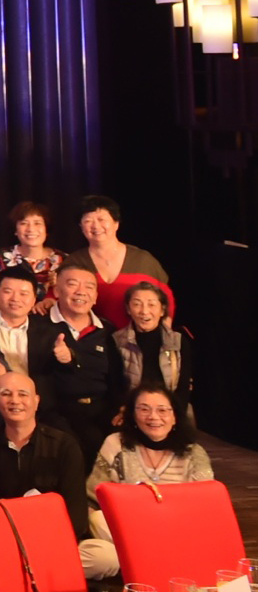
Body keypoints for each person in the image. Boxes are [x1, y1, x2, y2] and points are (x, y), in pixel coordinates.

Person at [77, 381, 212, 579]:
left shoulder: (194, 453)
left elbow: (206, 508)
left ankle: (145, 560)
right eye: (144, 409)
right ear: (132, 415)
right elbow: (92, 499)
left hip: (176, 532)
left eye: (162, 410)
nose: (153, 417)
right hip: (125, 530)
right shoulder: (116, 444)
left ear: (175, 416)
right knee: (99, 532)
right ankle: (153, 561)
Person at [0, 373, 89, 542]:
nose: (14, 400)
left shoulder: (64, 445)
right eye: (6, 394)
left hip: (54, 539)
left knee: (101, 553)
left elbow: (76, 514)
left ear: (36, 401)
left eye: (22, 394)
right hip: (2, 538)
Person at [43, 261, 126, 452]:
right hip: (56, 414)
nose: (81, 292)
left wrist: (121, 407)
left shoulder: (107, 330)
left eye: (89, 287)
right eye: (72, 284)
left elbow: (116, 378)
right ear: (57, 291)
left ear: (95, 297)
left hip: (101, 411)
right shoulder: (39, 326)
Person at [69, 194, 173, 330]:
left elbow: (166, 298)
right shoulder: (74, 262)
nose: (96, 226)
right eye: (88, 221)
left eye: (101, 219)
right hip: (91, 338)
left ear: (116, 224)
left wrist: (163, 334)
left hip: (138, 338)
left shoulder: (143, 260)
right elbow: (58, 297)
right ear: (81, 227)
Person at [112, 280, 190, 413]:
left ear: (162, 310)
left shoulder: (178, 341)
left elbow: (183, 387)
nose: (144, 311)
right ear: (128, 309)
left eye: (151, 304)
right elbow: (114, 386)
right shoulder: (116, 341)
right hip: (131, 411)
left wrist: (174, 414)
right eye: (137, 304)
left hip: (169, 411)